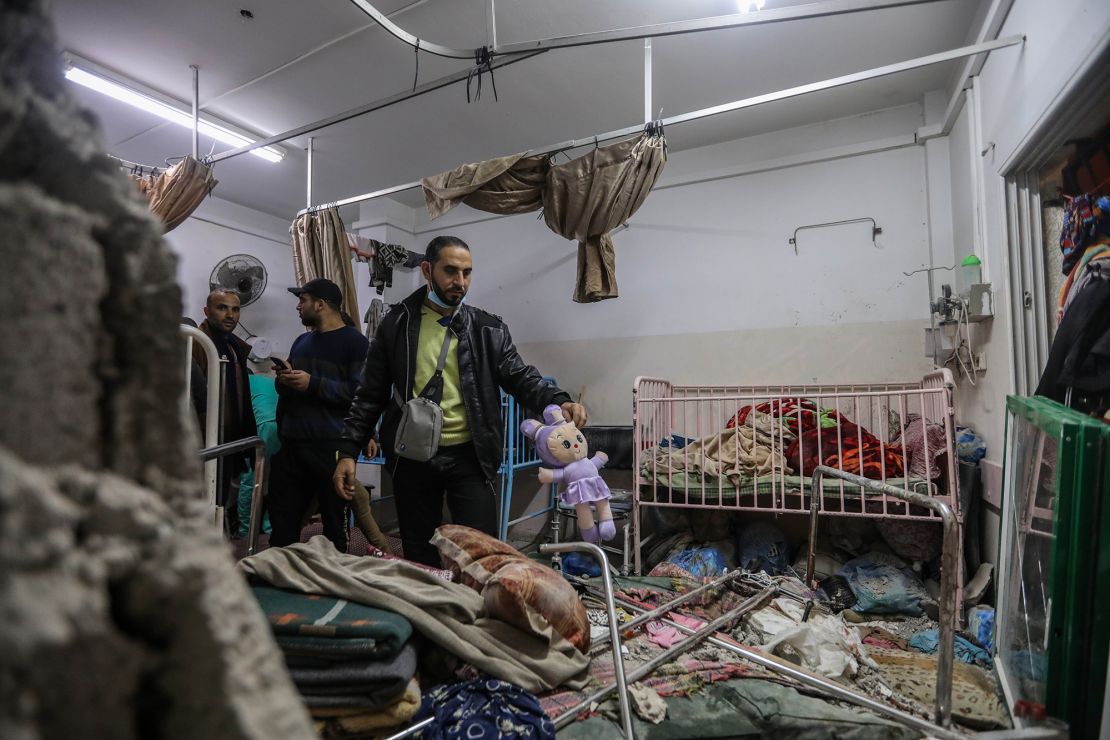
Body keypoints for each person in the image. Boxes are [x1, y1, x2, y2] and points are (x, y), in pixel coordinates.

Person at [333, 235, 587, 567]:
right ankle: (429, 612)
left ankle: (474, 615)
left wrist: (557, 399)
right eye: (450, 271)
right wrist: (348, 450)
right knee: (420, 552)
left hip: (471, 455)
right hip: (413, 457)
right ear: (427, 270)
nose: (460, 282)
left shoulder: (488, 329)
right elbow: (370, 393)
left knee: (482, 554)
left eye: (467, 272)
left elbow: (519, 376)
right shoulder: (396, 324)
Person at [268, 278, 369, 551]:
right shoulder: (302, 341)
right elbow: (288, 390)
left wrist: (313, 383)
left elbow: (360, 395)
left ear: (321, 304)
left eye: (303, 300)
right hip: (292, 444)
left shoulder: (356, 343)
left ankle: (331, 583)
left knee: (334, 526)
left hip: (331, 448)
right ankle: (279, 580)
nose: (298, 307)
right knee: (283, 521)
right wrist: (285, 380)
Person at [192, 290, 256, 532]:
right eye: (222, 308)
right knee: (201, 504)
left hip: (229, 439)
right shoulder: (198, 343)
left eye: (235, 309)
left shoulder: (234, 348)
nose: (230, 314)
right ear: (207, 311)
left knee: (220, 501)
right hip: (204, 439)